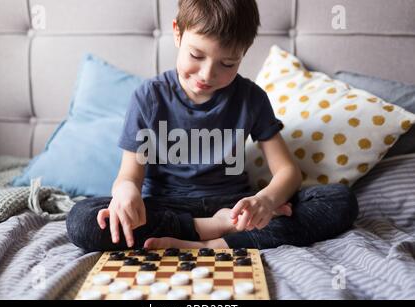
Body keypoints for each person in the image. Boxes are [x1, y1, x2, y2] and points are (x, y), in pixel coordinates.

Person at [66, 0, 358, 252]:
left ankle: (215, 243)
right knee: (82, 220)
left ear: (244, 53)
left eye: (228, 64)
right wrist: (125, 193)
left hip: (233, 208)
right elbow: (129, 175)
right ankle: (209, 229)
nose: (208, 74)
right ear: (177, 33)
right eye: (196, 55)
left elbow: (288, 172)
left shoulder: (251, 98)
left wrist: (265, 201)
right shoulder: (150, 97)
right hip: (167, 208)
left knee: (339, 201)